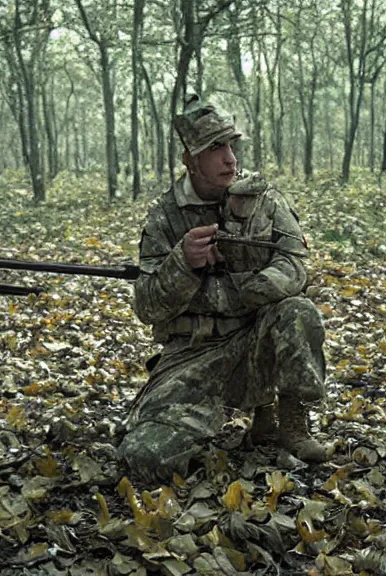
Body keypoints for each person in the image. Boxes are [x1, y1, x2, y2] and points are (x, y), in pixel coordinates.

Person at [117, 96, 332, 484]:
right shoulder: (166, 215)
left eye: (232, 145)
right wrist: (183, 263)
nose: (230, 159)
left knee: (298, 311)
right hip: (193, 356)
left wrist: (241, 291)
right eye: (215, 149)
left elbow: (296, 266)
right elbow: (147, 306)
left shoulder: (263, 199)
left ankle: (290, 423)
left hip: (255, 343)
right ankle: (203, 423)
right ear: (189, 159)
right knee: (146, 459)